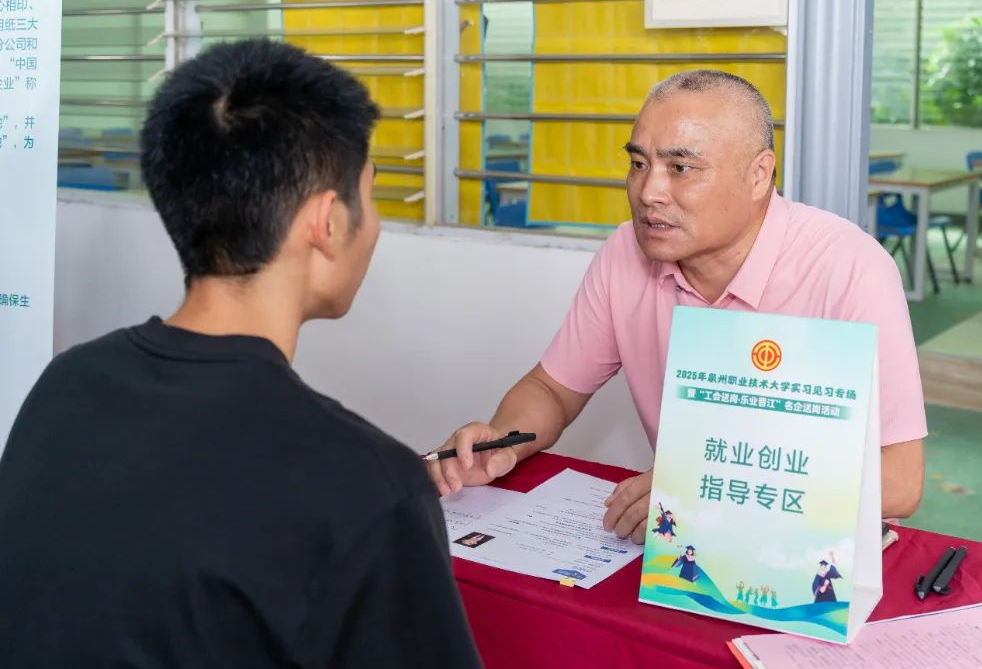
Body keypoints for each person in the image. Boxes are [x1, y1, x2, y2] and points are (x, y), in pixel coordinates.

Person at [0, 39, 480, 668]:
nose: (376, 225)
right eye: (370, 193)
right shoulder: (368, 486)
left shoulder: (66, 385)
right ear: (327, 222)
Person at [427, 69, 926, 544]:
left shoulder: (848, 267)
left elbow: (900, 482)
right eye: (638, 164)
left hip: (810, 549)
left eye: (680, 168)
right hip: (680, 547)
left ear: (759, 175)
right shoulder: (626, 252)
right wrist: (501, 442)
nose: (648, 192)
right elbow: (553, 390)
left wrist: (704, 490)